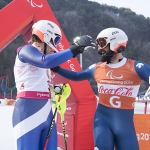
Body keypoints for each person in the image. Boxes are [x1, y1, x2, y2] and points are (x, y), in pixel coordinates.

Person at [51, 27, 150, 150]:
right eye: (98, 43)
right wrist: (56, 68)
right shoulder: (97, 67)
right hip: (102, 121)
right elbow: (76, 76)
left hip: (125, 125)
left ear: (115, 43)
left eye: (102, 43)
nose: (99, 47)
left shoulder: (136, 67)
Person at [13, 19, 95, 150]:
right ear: (46, 36)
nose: (54, 47)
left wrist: (56, 89)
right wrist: (74, 49)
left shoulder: (46, 60)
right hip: (27, 110)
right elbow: (44, 61)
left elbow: (43, 75)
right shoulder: (25, 50)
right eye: (55, 41)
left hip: (46, 110)